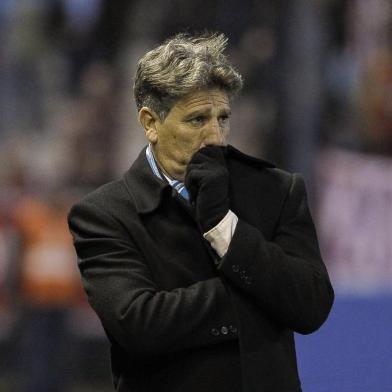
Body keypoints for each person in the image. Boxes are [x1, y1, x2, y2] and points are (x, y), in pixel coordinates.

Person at [68, 32, 334, 392]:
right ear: (150, 123)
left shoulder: (276, 191)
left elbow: (311, 304)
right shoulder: (104, 214)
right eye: (197, 120)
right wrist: (262, 294)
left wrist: (226, 229)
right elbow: (140, 326)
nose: (215, 137)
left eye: (222, 117)